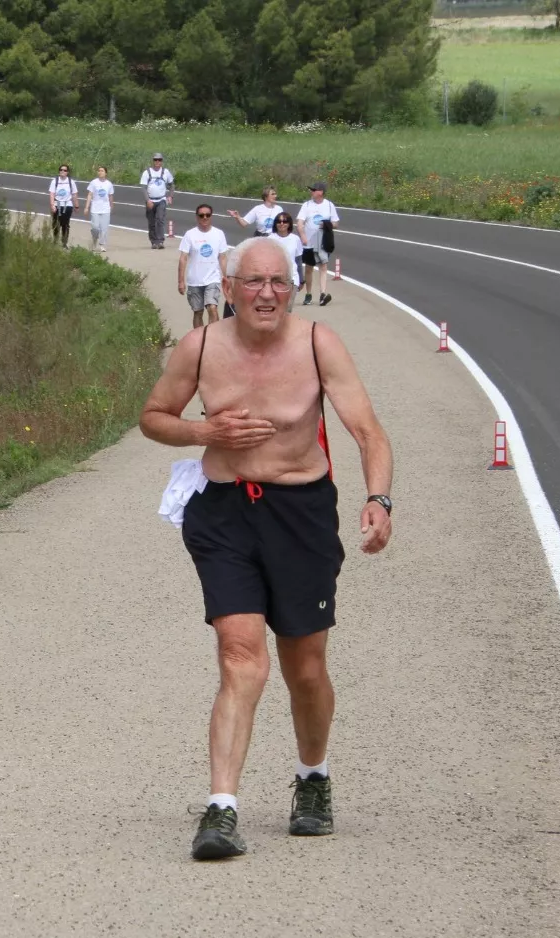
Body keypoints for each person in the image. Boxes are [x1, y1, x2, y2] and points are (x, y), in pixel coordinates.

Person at [140, 235, 394, 860]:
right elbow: (154, 416)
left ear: (293, 286)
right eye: (253, 282)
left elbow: (368, 431)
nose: (267, 294)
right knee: (239, 655)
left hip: (300, 513)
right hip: (224, 512)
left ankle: (313, 779)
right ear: (227, 289)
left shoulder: (316, 343)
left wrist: (378, 499)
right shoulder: (201, 348)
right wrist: (204, 428)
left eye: (278, 282)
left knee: (304, 669)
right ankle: (221, 810)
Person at [177, 203, 229, 329]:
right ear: (197, 217)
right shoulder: (190, 234)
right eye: (201, 215)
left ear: (211, 216)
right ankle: (199, 339)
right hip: (195, 281)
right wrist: (181, 281)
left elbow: (222, 258)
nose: (204, 218)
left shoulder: (219, 234)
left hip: (213, 279)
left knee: (212, 307)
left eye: (207, 215)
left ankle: (213, 338)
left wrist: (227, 278)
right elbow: (183, 258)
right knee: (198, 311)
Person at [297, 182, 340, 306]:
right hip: (309, 242)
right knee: (309, 268)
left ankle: (322, 294)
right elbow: (300, 223)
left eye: (313, 190)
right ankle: (308, 294)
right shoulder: (306, 205)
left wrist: (327, 224)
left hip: (323, 241)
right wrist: (303, 236)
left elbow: (336, 223)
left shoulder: (329, 205)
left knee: (323, 266)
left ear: (320, 192)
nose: (311, 192)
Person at [141, 152, 174, 250]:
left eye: (159, 160)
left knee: (160, 219)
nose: (157, 162)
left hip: (161, 200)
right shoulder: (147, 172)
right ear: (153, 161)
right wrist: (147, 200)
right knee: (151, 222)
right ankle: (153, 242)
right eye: (155, 160)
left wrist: (171, 196)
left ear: (162, 161)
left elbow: (172, 184)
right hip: (150, 200)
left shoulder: (165, 172)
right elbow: (143, 187)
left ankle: (160, 241)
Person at [267, 212, 303, 292]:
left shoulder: (295, 239)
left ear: (289, 224)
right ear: (275, 224)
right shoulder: (270, 239)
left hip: (292, 276)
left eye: (285, 221)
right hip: (275, 276)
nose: (282, 223)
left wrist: (301, 279)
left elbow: (298, 261)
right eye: (279, 221)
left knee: (290, 301)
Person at [82, 165, 115, 253]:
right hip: (95, 208)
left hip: (105, 208)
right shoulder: (94, 182)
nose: (100, 172)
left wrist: (111, 206)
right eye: (99, 171)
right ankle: (94, 240)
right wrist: (86, 207)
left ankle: (102, 244)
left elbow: (110, 196)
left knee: (104, 228)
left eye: (102, 171)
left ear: (106, 173)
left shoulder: (109, 184)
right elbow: (90, 195)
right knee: (95, 227)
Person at [47, 164, 77, 248]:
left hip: (68, 205)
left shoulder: (71, 182)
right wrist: (52, 205)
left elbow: (74, 194)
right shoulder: (55, 181)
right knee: (56, 224)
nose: (62, 171)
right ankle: (55, 240)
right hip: (57, 204)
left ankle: (64, 242)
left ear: (67, 172)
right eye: (61, 170)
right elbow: (52, 194)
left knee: (65, 224)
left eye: (65, 170)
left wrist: (76, 206)